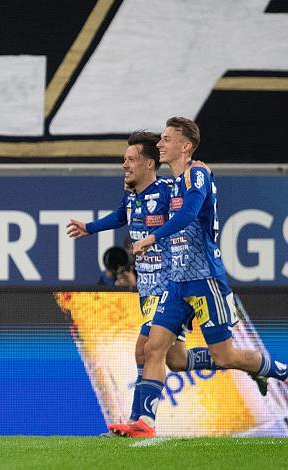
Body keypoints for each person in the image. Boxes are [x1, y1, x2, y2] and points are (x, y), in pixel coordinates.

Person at [67, 131, 266, 437]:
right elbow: (122, 215)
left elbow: (191, 209)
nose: (125, 165)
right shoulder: (132, 195)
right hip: (148, 289)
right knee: (176, 358)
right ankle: (252, 366)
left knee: (147, 348)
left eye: (131, 159)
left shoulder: (169, 190)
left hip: (169, 283)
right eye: (124, 159)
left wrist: (202, 173)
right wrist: (90, 227)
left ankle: (142, 420)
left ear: (149, 163)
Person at [116, 117, 285, 438]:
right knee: (159, 352)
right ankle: (143, 423)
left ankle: (277, 370)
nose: (161, 144)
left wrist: (154, 237)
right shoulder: (173, 183)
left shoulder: (198, 174)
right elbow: (141, 203)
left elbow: (191, 213)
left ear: (186, 146)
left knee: (225, 355)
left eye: (167, 139)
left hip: (205, 279)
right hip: (177, 284)